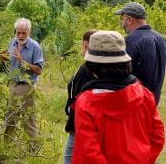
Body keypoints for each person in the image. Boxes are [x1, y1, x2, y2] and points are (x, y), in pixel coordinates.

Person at [71, 30, 165, 164]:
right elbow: (158, 137)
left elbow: (89, 153)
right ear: (125, 63)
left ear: (92, 67)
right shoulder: (144, 95)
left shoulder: (86, 103)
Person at [114, 2, 166, 105]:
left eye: (122, 19)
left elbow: (120, 76)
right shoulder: (161, 39)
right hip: (153, 104)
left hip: (135, 105)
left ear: (129, 20)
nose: (122, 24)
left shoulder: (130, 41)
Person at [3, 18, 43, 150]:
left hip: (27, 86)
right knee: (9, 117)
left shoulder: (35, 47)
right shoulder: (11, 43)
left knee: (28, 119)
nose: (20, 36)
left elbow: (39, 70)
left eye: (23, 33)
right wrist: (2, 59)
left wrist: (22, 61)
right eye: (18, 33)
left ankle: (33, 149)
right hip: (12, 85)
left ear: (29, 32)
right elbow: (8, 61)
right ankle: (6, 147)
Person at [64, 29, 97, 164]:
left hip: (80, 124)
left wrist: (72, 123)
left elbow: (78, 100)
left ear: (85, 44)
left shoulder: (85, 70)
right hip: (90, 123)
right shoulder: (99, 68)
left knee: (69, 158)